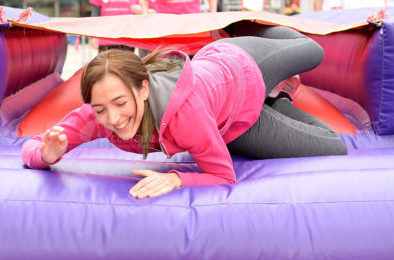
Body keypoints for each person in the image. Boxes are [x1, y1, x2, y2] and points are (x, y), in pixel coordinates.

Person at [22, 24, 347, 199]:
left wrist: (176, 179)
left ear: (143, 89)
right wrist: (49, 155)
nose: (114, 118)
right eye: (101, 109)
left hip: (243, 66)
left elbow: (223, 176)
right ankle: (279, 99)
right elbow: (32, 148)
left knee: (313, 50)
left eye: (121, 104)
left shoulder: (184, 115)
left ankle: (249, 28)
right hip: (233, 123)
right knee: (332, 145)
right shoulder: (98, 115)